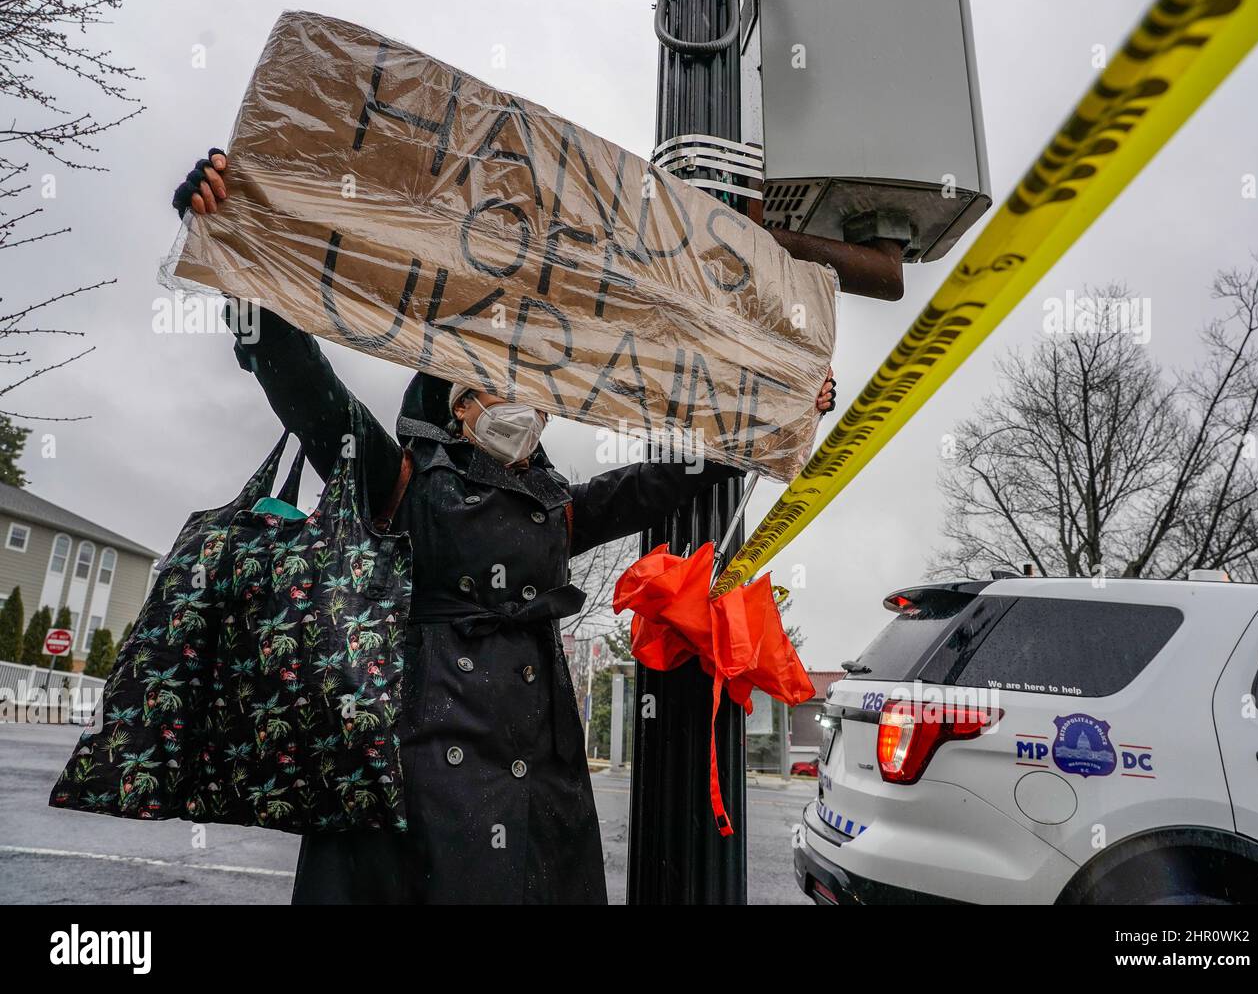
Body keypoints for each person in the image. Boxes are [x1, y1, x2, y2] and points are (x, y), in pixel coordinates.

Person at [173, 149, 836, 904]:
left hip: (542, 764)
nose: (526, 403)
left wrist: (778, 417)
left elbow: (659, 483)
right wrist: (233, 241)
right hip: (425, 762)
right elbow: (300, 381)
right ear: (459, 405)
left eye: (536, 389)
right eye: (500, 385)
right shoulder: (399, 479)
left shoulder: (558, 504)